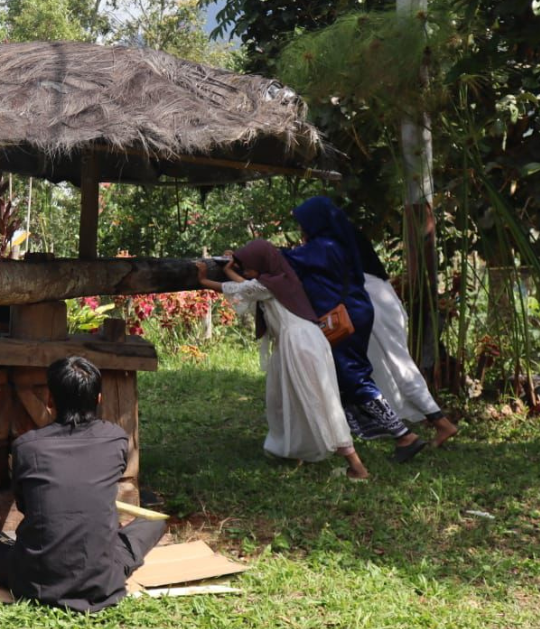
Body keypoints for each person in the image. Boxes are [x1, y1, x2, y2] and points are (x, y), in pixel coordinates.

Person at [0, 356, 167, 613]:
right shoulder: (116, 440)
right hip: (102, 579)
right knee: (154, 522)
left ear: (50, 401)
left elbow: (26, 505)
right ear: (98, 400)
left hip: (34, 579)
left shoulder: (26, 446)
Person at [197, 240, 369, 479]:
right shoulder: (276, 279)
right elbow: (248, 285)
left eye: (248, 266)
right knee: (286, 398)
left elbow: (243, 288)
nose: (246, 271)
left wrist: (206, 280)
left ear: (262, 264)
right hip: (297, 343)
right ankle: (298, 449)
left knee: (318, 400)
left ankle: (357, 466)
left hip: (300, 344)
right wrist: (231, 266)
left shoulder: (274, 283)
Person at [282, 197, 426, 462]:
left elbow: (284, 261)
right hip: (355, 312)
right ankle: (349, 436)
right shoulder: (335, 243)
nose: (301, 230)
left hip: (344, 318)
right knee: (345, 376)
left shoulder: (323, 247)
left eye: (303, 224)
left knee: (354, 377)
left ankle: (404, 436)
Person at [354, 230, 459, 447]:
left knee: (401, 368)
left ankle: (441, 422)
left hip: (377, 311)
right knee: (390, 368)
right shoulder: (371, 275)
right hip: (378, 310)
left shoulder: (362, 277)